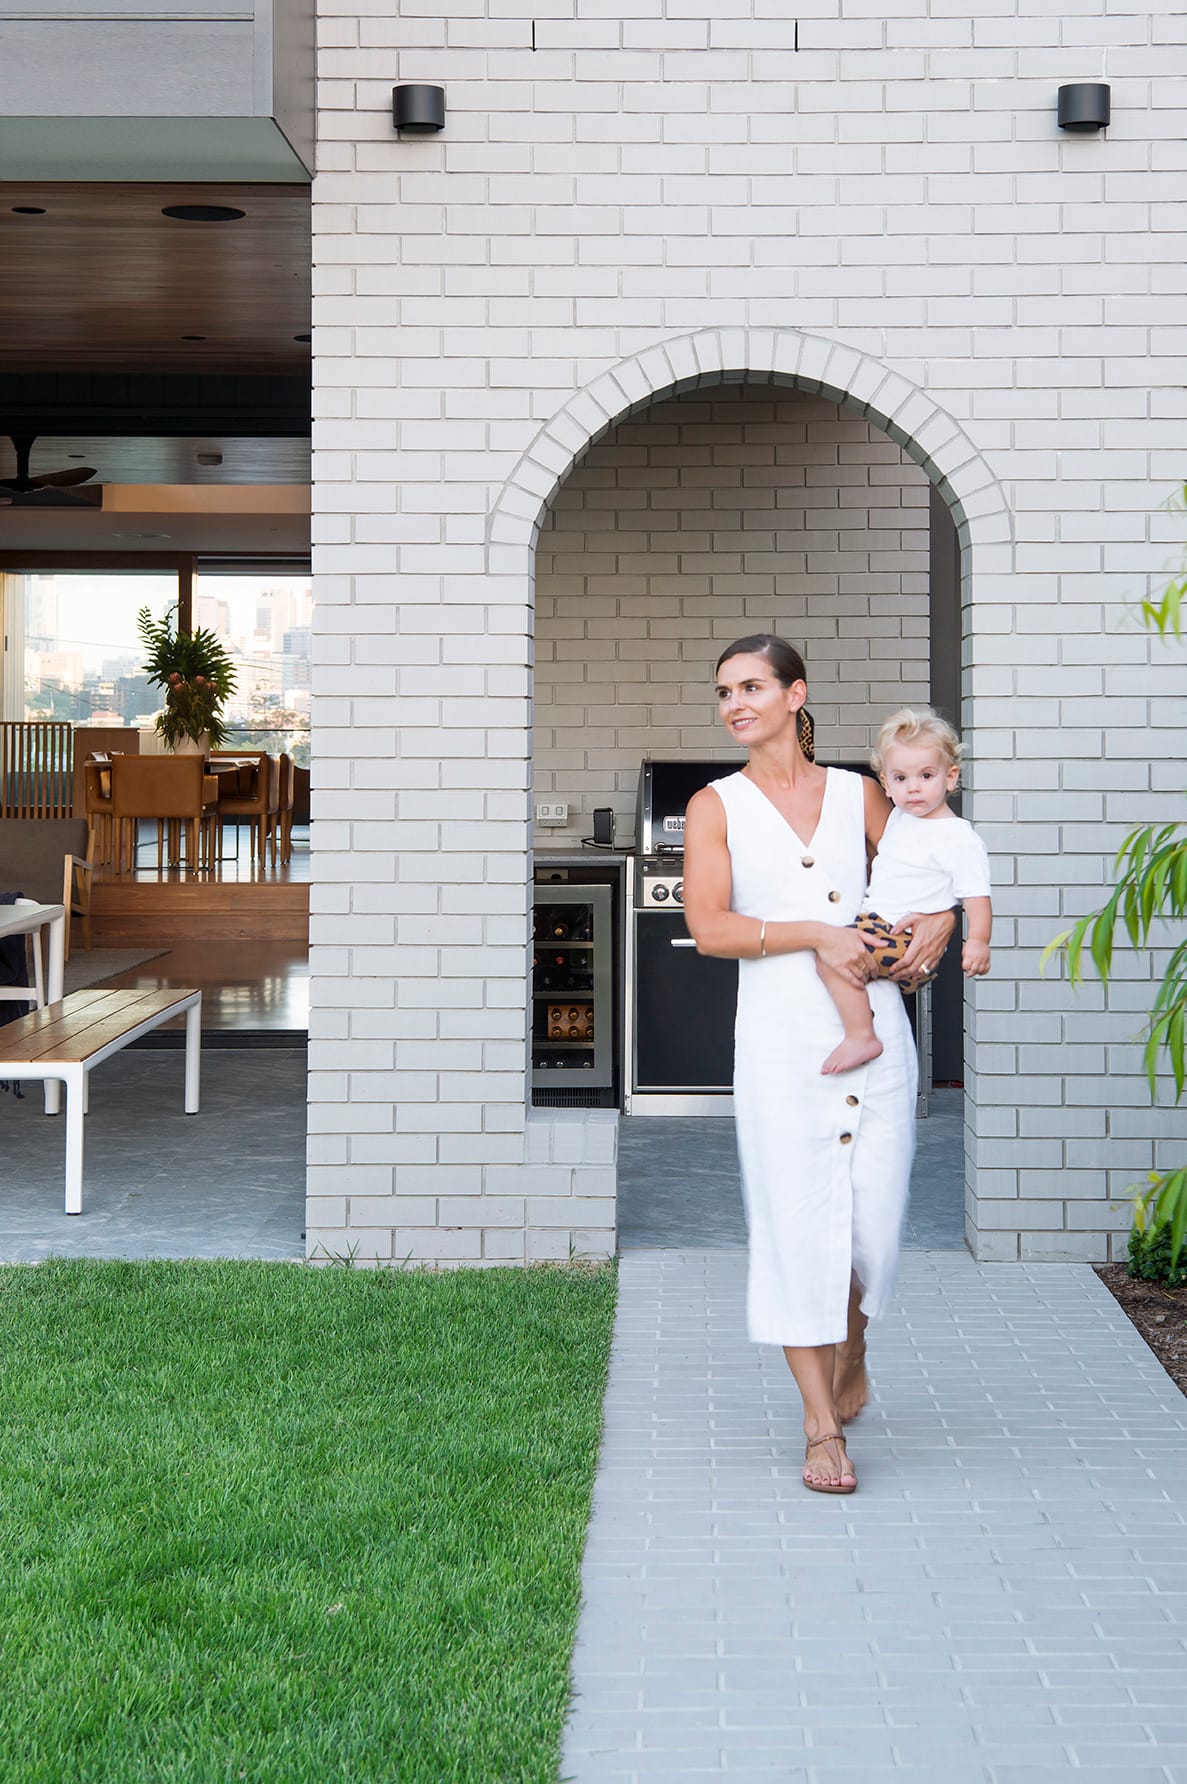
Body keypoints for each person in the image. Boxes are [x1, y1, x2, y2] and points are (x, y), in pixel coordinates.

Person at [682, 636, 955, 1495]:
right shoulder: (713, 804)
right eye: (724, 691)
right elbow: (713, 928)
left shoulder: (860, 793)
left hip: (873, 1031)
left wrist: (938, 925)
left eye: (753, 686)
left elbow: (928, 868)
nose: (735, 703)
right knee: (797, 1227)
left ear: (794, 694)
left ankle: (855, 1344)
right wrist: (811, 931)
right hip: (780, 1041)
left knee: (868, 1226)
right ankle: (819, 1427)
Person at [817, 707, 992, 1075]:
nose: (913, 787)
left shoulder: (958, 836)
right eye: (901, 777)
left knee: (830, 957)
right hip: (880, 925)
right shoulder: (898, 818)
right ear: (886, 783)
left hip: (902, 936)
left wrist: (977, 942)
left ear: (951, 777)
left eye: (926, 775)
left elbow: (976, 896)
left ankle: (861, 1035)